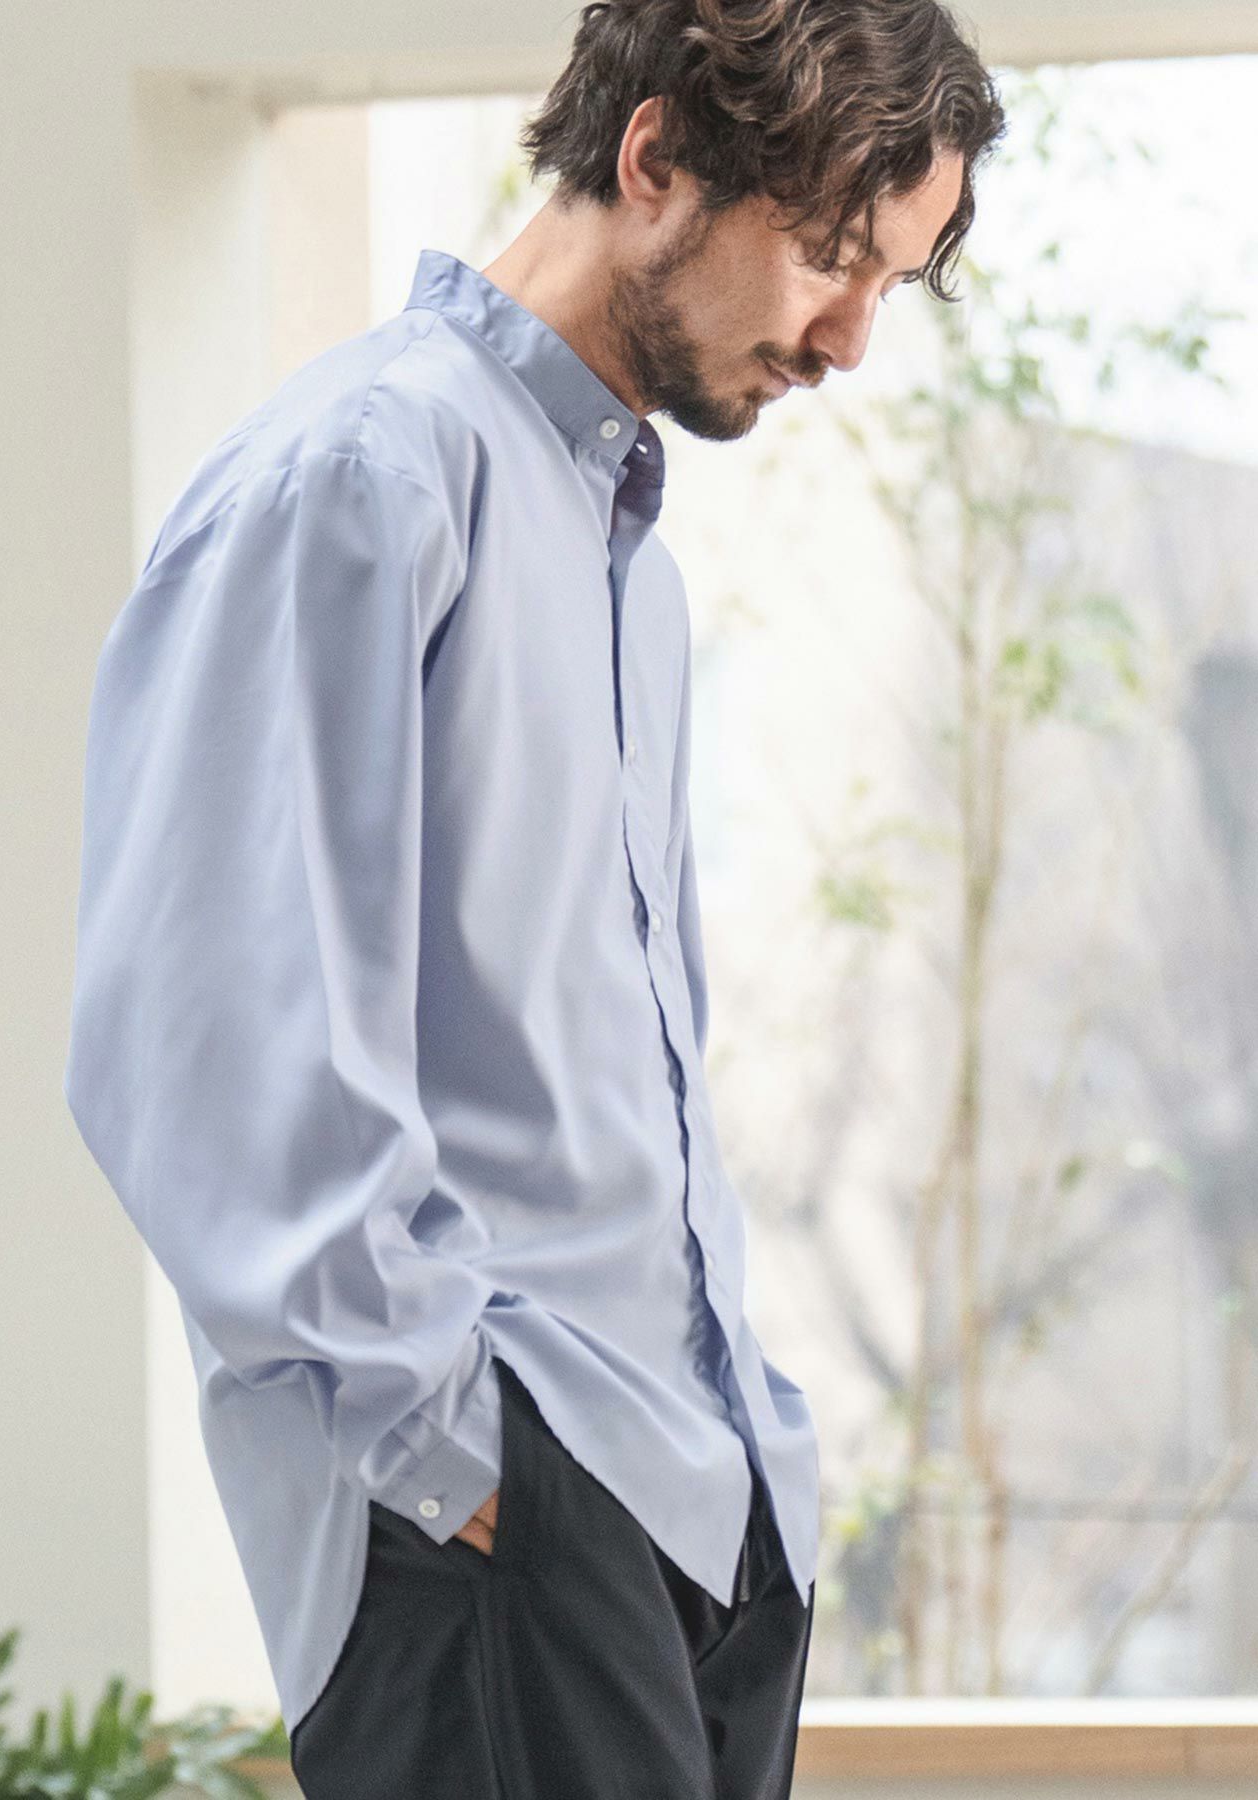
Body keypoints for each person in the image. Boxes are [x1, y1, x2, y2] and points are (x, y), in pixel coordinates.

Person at [63, 2, 1006, 1794]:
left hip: (693, 1505)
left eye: (888, 282)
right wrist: (469, 1464)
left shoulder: (627, 559)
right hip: (498, 1520)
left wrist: (733, 1471)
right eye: (830, 256)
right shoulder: (358, 479)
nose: (851, 339)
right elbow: (208, 1065)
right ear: (656, 159)